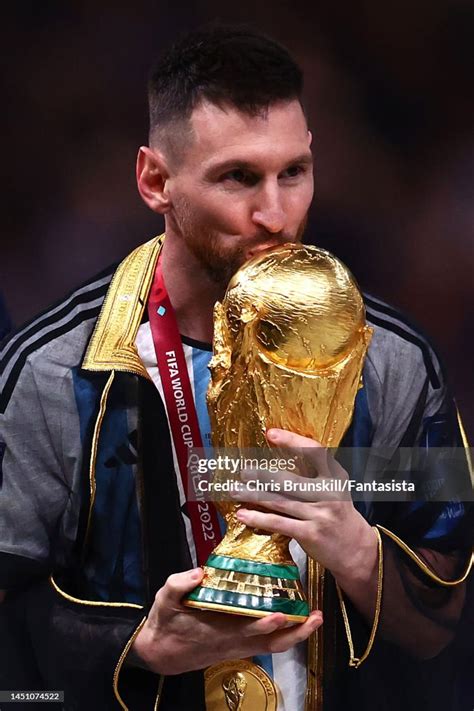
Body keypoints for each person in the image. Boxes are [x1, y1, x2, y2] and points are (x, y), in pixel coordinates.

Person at [0, 26, 472, 711]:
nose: (276, 214)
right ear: (155, 181)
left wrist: (363, 556)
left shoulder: (399, 362)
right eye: (238, 178)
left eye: (294, 173)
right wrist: (134, 646)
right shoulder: (51, 375)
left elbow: (451, 607)